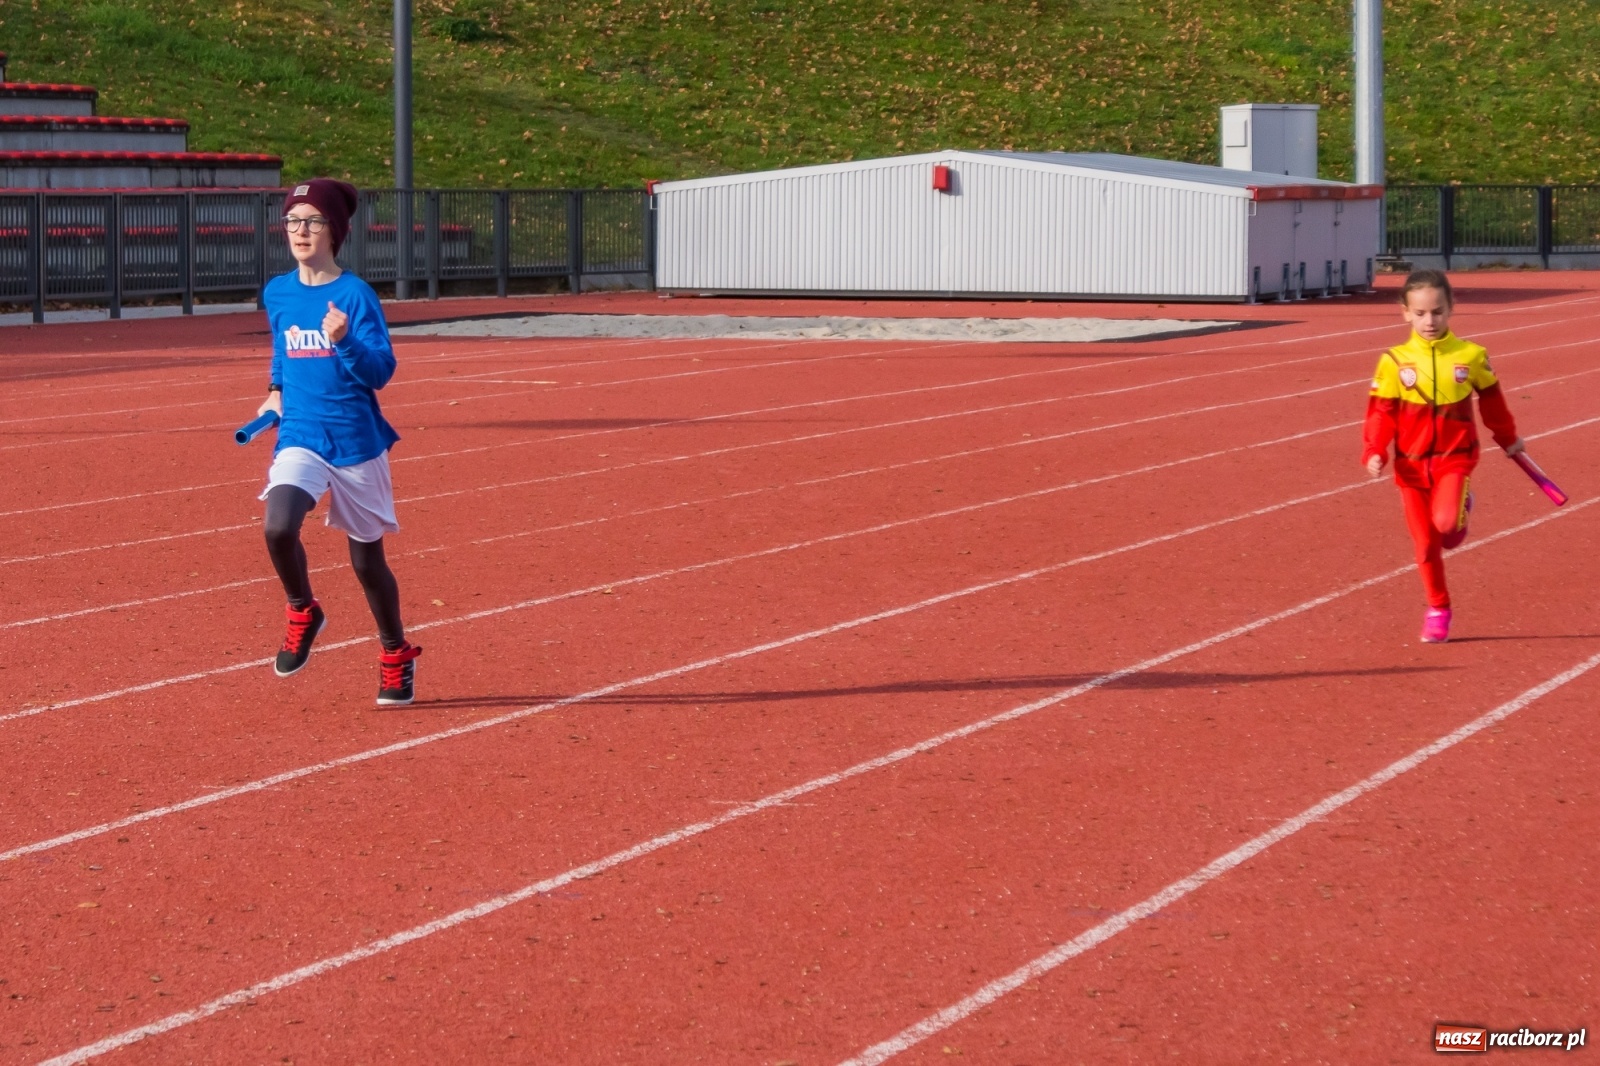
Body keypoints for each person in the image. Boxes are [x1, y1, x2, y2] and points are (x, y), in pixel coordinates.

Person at [254, 178, 421, 704]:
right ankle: (303, 609)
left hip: (355, 442)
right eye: (293, 221)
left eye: (313, 221)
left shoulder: (355, 295)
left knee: (367, 563)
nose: (300, 231)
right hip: (301, 435)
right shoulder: (277, 292)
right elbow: (282, 355)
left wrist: (345, 339)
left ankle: (395, 653)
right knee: (278, 526)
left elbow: (380, 372)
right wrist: (275, 392)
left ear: (335, 231)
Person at [1362, 269, 1523, 644]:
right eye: (1420, 313)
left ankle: (1463, 501)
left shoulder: (1471, 355)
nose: (1429, 321)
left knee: (1447, 526)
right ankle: (1438, 607)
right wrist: (1374, 451)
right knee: (1425, 544)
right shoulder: (1393, 360)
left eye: (1437, 312)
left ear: (1451, 309)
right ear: (1404, 312)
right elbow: (1380, 413)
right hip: (1411, 467)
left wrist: (1508, 437)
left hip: (1455, 459)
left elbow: (1494, 403)